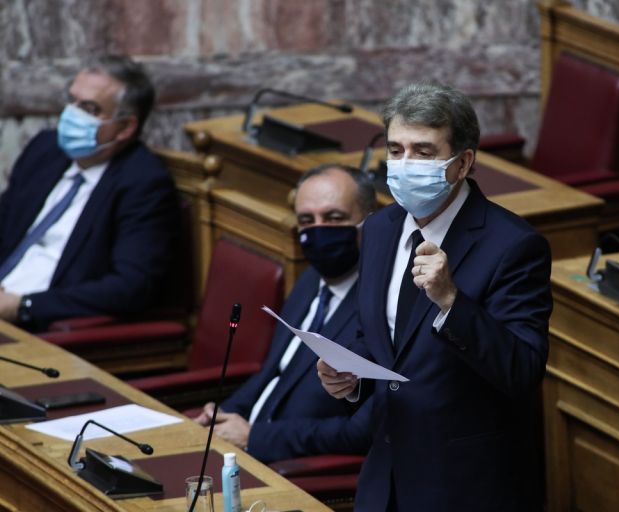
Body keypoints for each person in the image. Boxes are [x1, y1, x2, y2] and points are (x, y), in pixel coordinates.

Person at [317, 83, 552, 511]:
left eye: (423, 152)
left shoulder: (513, 246)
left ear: (463, 163)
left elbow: (522, 370)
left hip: (466, 488)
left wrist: (451, 301)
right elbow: (376, 336)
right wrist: (349, 376)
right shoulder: (379, 229)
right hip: (385, 479)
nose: (405, 165)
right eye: (395, 150)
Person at [195, 163, 375, 463]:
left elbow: (362, 430)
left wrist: (254, 437)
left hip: (290, 464)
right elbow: (274, 372)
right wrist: (224, 413)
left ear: (371, 222)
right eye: (307, 220)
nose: (319, 231)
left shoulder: (379, 305)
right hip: (240, 449)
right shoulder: (311, 280)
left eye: (334, 218)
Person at [0, 55, 179, 332]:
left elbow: (130, 286)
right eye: (72, 101)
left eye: (89, 108)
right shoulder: (46, 150)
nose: (72, 114)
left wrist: (24, 306)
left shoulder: (143, 183)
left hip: (37, 323)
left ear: (125, 127)